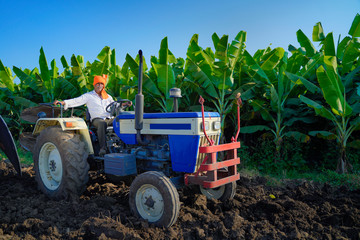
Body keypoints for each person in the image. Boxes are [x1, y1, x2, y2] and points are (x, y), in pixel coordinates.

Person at [53, 75, 131, 156]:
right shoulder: (89, 96)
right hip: (97, 120)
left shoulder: (108, 97)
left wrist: (124, 104)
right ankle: (102, 148)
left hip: (109, 118)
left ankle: (126, 145)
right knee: (102, 124)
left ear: (103, 85)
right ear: (94, 84)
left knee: (121, 120)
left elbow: (115, 105)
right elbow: (76, 101)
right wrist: (63, 102)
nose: (99, 85)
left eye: (101, 84)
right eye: (97, 83)